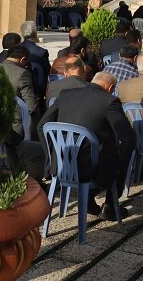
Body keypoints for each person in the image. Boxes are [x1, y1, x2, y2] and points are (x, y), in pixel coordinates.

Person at [40, 71, 136, 220]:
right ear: (111, 88)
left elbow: (42, 125)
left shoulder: (66, 94)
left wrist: (51, 156)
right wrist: (119, 166)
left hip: (61, 163)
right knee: (120, 152)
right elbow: (128, 138)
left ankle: (89, 201)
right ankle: (110, 204)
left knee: (99, 150)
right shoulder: (109, 101)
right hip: (91, 169)